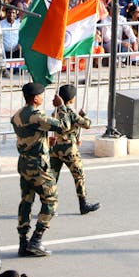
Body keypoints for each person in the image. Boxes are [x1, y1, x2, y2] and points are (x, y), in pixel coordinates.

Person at [11, 82, 70, 257]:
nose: (43, 98)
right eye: (41, 95)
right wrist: (61, 107)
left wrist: (44, 141)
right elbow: (64, 126)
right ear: (35, 98)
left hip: (24, 162)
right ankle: (36, 240)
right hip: (38, 165)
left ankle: (23, 242)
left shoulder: (17, 115)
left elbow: (30, 136)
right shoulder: (37, 116)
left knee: (26, 201)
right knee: (51, 201)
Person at [50, 84, 101, 215]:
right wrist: (84, 115)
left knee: (52, 178)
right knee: (79, 176)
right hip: (69, 150)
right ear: (71, 99)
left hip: (55, 148)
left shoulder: (55, 112)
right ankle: (83, 204)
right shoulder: (71, 112)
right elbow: (87, 124)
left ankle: (49, 207)